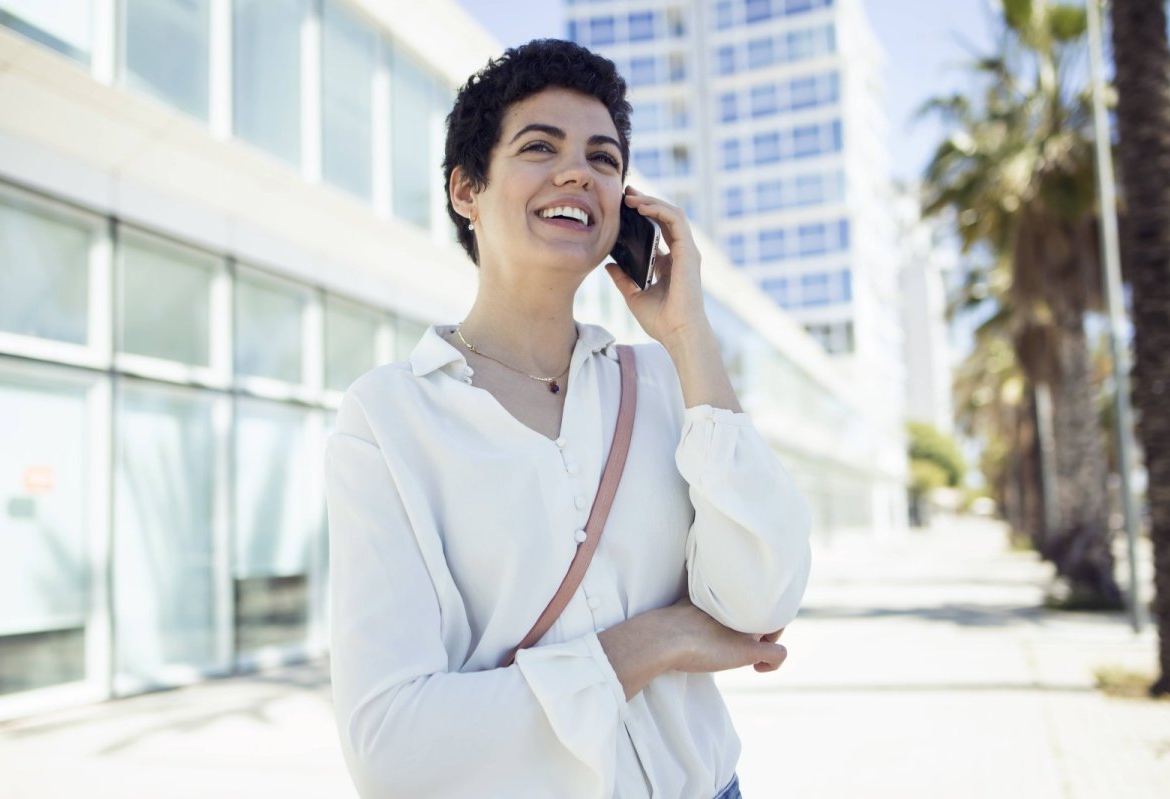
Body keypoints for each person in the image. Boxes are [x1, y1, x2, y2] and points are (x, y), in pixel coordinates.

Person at [324, 39, 811, 799]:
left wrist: (689, 336)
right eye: (538, 146)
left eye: (604, 158)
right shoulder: (389, 417)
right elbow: (392, 750)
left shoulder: (662, 379)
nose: (578, 171)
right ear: (465, 190)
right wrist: (658, 638)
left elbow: (761, 598)